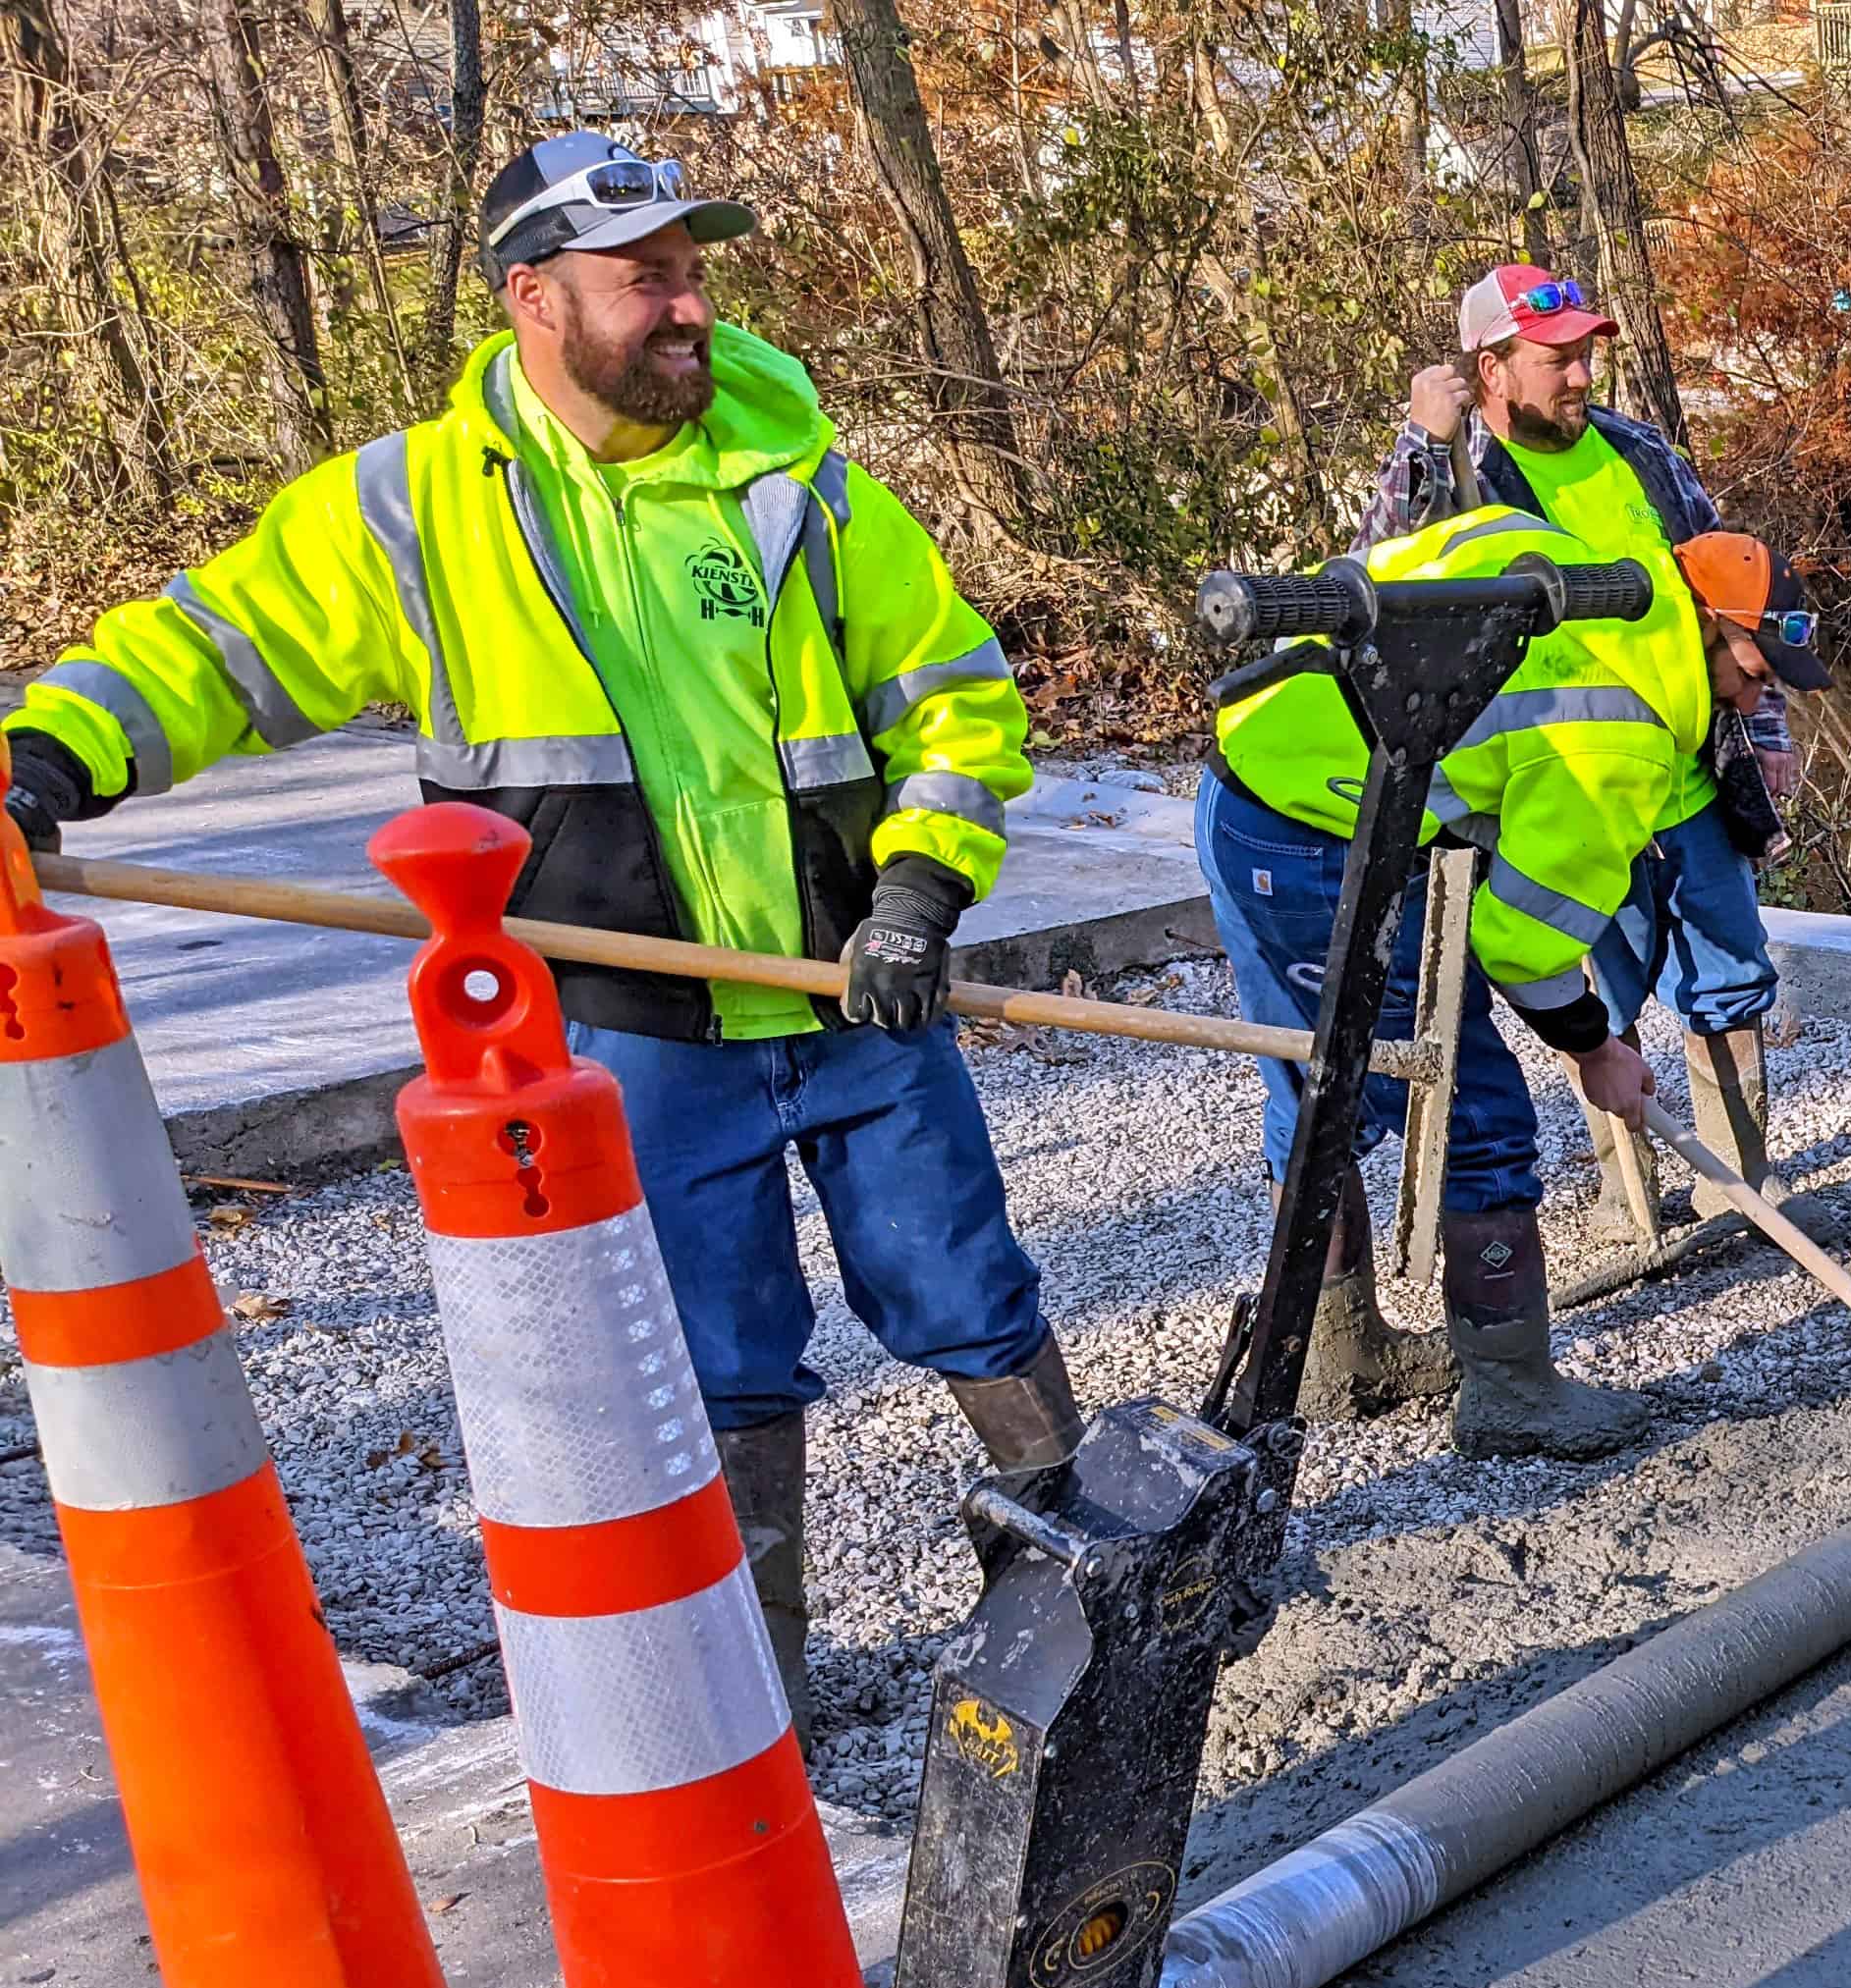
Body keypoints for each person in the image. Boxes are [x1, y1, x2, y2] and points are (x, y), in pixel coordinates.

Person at [1, 132, 1063, 1725]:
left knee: (968, 1291)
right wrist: (41, 761)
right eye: (648, 278)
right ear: (532, 298)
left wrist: (920, 881)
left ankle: (1083, 1594)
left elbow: (960, 703)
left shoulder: (806, 491)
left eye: (694, 273)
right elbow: (208, 649)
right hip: (630, 1022)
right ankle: (755, 1679)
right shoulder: (417, 509)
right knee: (720, 1352)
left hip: (853, 996)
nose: (688, 305)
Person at [1194, 512, 1806, 1458]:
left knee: (1318, 1081)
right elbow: (1521, 944)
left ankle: (1334, 1353)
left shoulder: (1570, 557)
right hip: (1326, 834)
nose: (1755, 700)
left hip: (1252, 785)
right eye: (1755, 673)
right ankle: (1509, 1389)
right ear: (1710, 627)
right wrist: (1596, 1049)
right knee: (1473, 1108)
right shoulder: (1627, 734)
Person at [1364, 267, 1799, 1209]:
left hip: (1686, 773)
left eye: (1586, 354)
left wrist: (1763, 729)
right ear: (1493, 368)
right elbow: (1384, 587)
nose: (1579, 375)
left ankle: (1740, 1189)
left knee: (1730, 977)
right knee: (1599, 982)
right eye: (1555, 359)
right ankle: (1630, 1198)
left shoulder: (1639, 454)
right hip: (1560, 781)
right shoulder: (1460, 470)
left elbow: (1732, 597)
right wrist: (1419, 448)